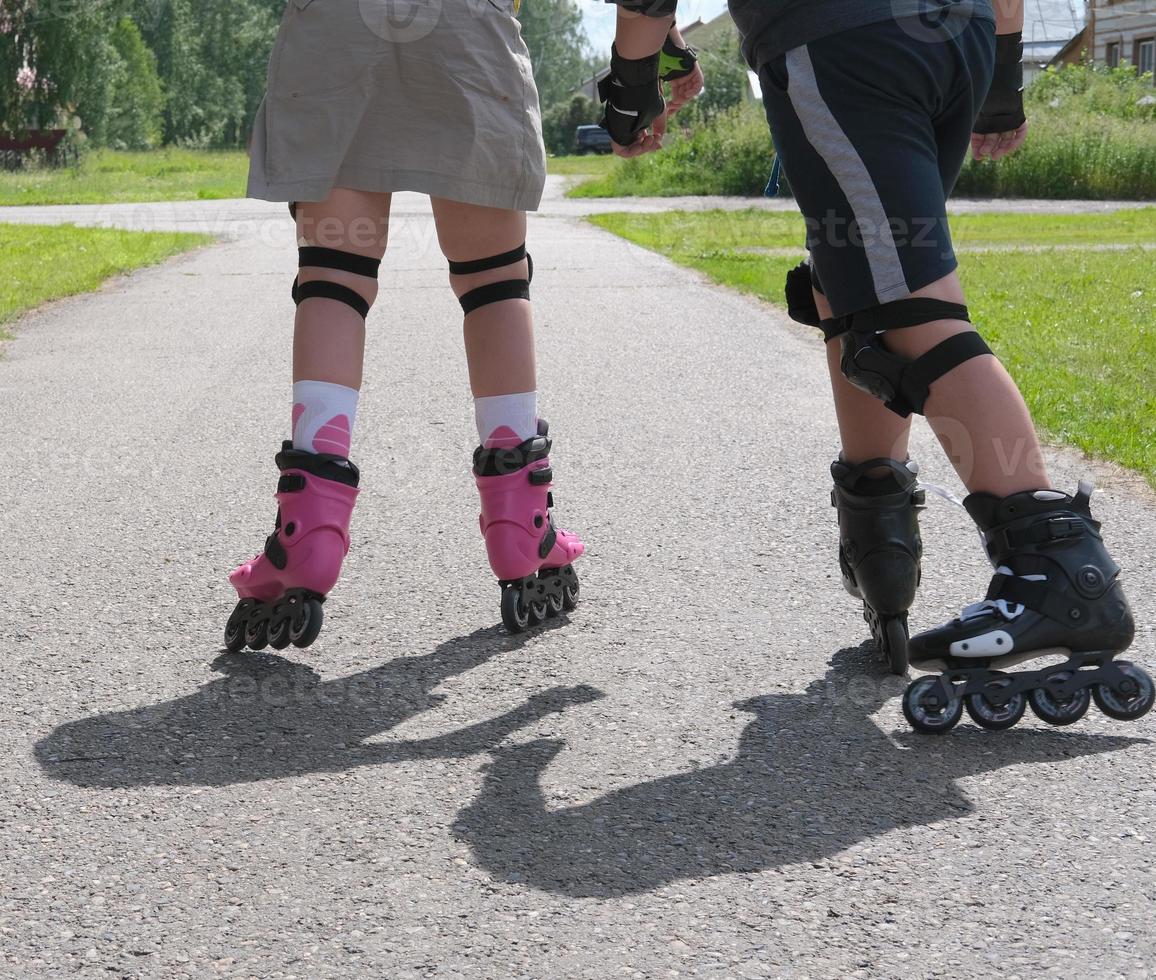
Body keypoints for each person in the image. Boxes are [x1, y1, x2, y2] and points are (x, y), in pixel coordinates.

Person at [599, 0, 1152, 732]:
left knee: (909, 310)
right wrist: (1004, 75)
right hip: (959, 36)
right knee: (858, 280)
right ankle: (877, 526)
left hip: (842, 36)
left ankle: (1058, 571)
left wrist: (632, 82)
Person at [224, 0, 585, 652]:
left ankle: (307, 530)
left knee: (334, 277)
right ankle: (520, 520)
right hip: (465, 24)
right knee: (495, 280)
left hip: (337, 27)